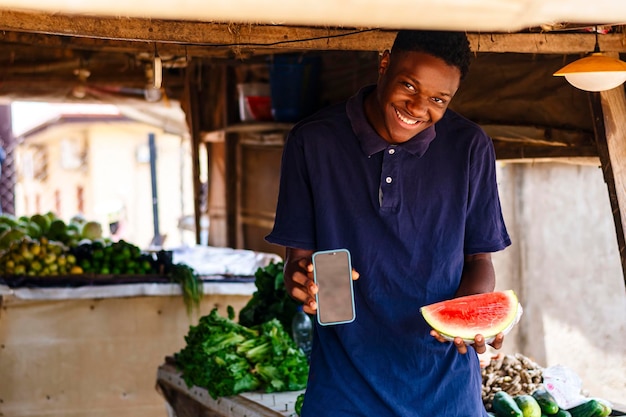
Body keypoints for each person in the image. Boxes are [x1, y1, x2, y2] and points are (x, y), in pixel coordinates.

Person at [266, 29, 511, 417]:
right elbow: (298, 259)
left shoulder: (469, 146)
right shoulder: (313, 141)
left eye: (437, 99)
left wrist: (468, 312)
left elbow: (480, 259)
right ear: (384, 64)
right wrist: (303, 281)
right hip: (343, 391)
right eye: (409, 85)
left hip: (445, 390)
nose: (417, 107)